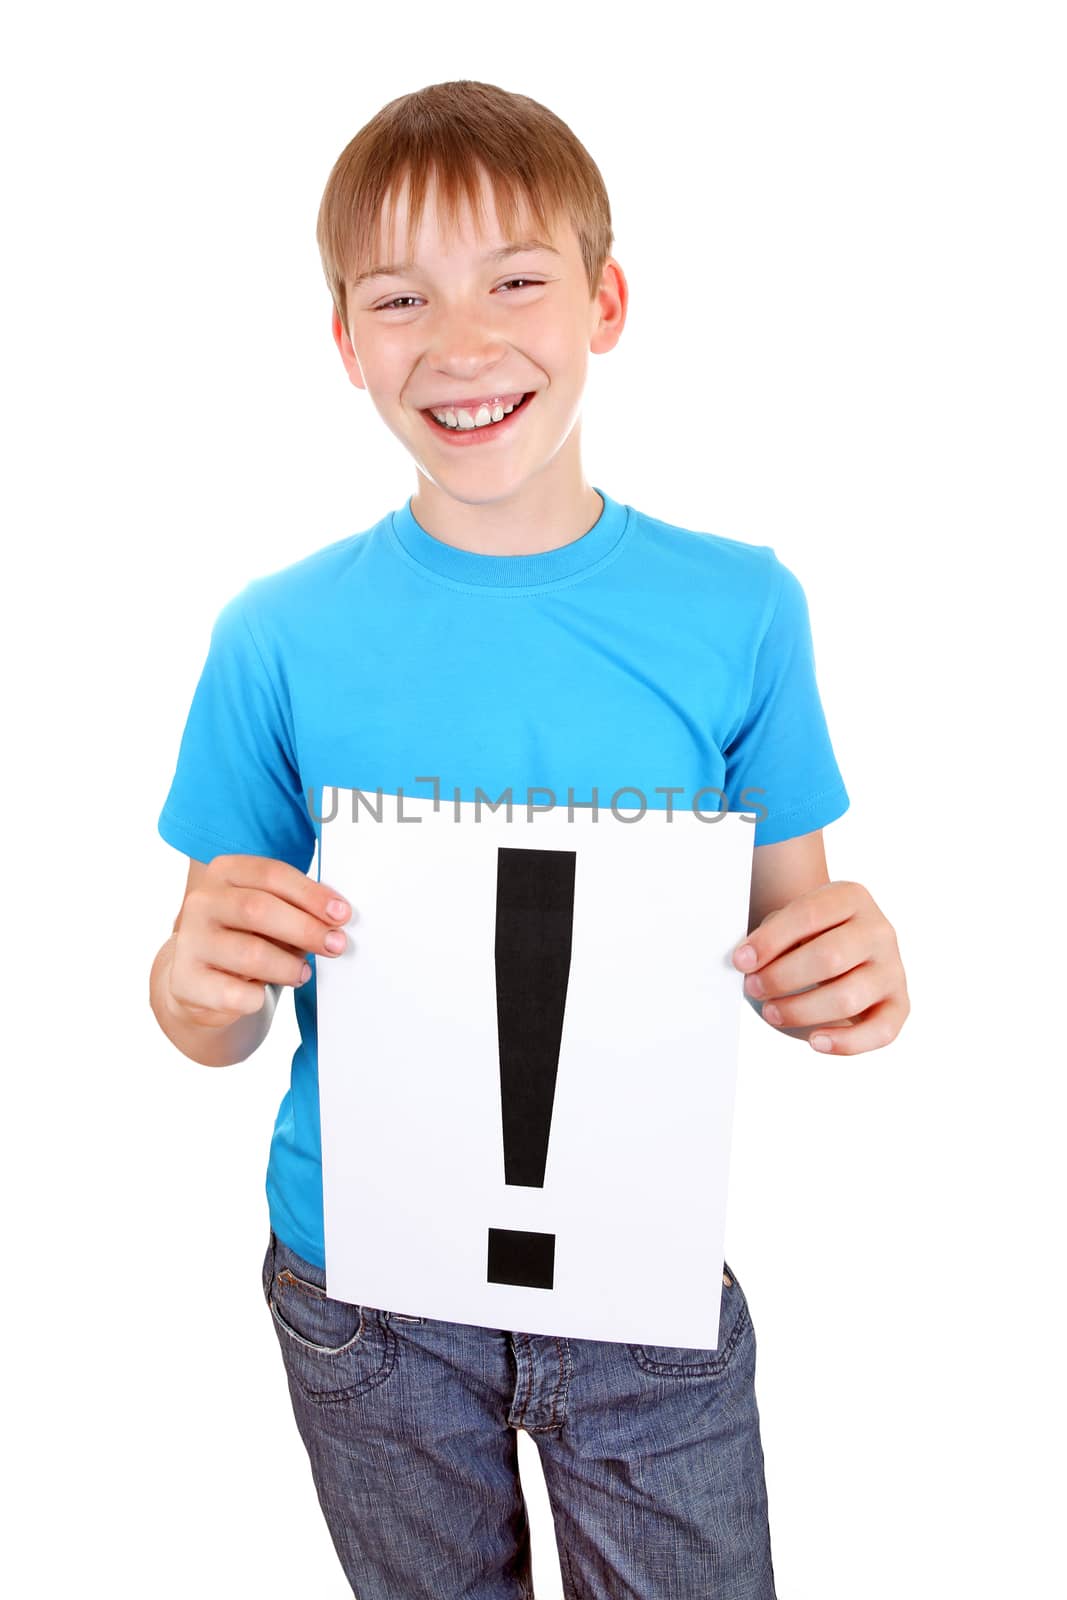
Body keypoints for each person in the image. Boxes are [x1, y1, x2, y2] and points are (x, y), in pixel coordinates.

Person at [150, 78, 909, 1600]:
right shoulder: (276, 638)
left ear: (605, 301)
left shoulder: (741, 608)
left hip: (640, 1270)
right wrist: (198, 983)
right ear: (347, 344)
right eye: (400, 298)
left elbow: (793, 937)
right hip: (363, 1285)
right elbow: (205, 1019)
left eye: (515, 280)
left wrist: (850, 976)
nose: (462, 340)